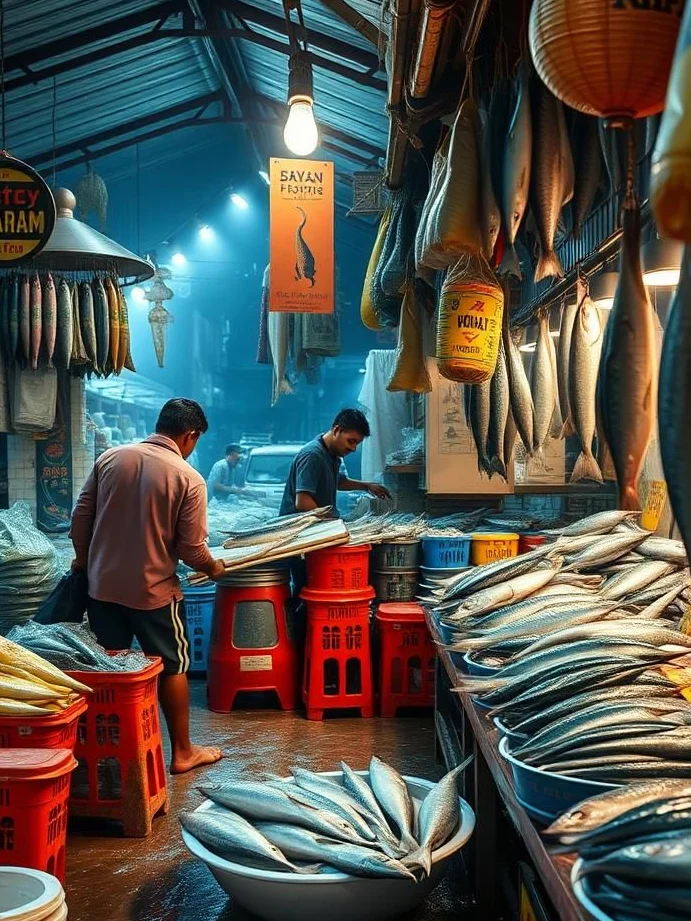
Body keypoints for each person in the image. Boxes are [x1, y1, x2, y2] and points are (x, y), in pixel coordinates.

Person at [70, 398, 226, 775]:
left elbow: (79, 519)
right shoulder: (188, 478)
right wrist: (214, 567)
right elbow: (191, 550)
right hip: (154, 592)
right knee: (173, 666)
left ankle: (113, 756)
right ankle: (184, 752)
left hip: (102, 588)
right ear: (190, 435)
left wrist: (85, 561)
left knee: (113, 669)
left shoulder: (111, 458)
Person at [279, 408, 391, 517]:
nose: (353, 448)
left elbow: (339, 481)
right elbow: (303, 502)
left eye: (357, 443)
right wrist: (331, 523)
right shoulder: (313, 455)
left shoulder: (332, 454)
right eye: (351, 441)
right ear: (337, 430)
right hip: (298, 530)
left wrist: (368, 486)